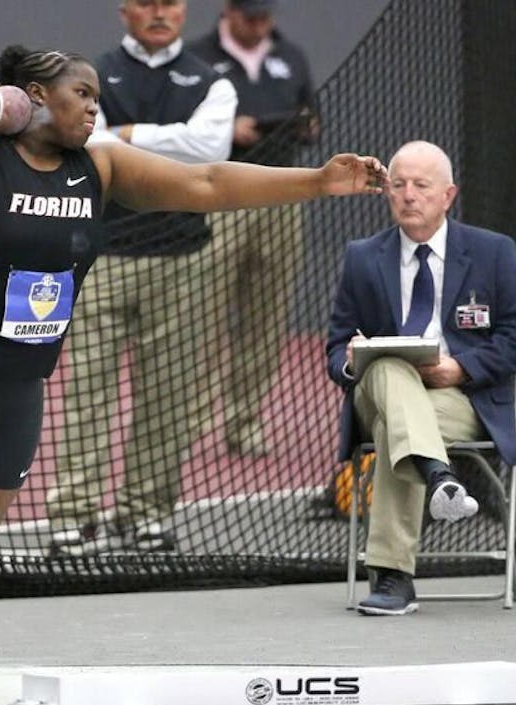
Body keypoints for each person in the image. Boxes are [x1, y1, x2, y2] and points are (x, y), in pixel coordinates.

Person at [0, 42, 387, 679]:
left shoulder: (100, 166)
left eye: (97, 95)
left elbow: (205, 182)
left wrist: (318, 182)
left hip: (22, 368)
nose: (97, 105)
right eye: (82, 94)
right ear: (35, 96)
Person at [44, 0, 239, 557]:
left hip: (184, 260)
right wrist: (161, 139)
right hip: (100, 256)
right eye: (147, 3)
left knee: (170, 396)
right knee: (87, 390)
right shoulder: (91, 76)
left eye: (170, 3)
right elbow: (89, 142)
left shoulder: (211, 81)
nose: (160, 13)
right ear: (124, 10)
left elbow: (211, 151)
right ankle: (74, 518)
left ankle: (145, 516)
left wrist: (128, 135)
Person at [325, 140, 516, 616]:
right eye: (398, 185)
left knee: (395, 430)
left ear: (448, 195)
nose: (408, 195)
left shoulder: (493, 252)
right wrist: (353, 359)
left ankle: (394, 578)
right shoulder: (363, 257)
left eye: (421, 186)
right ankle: (439, 477)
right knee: (388, 366)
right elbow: (336, 348)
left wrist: (459, 368)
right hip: (376, 395)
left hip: (459, 401)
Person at [189, 0, 319, 456]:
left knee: (266, 313)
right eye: (250, 17)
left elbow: (312, 120)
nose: (259, 25)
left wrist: (304, 127)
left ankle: (245, 420)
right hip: (223, 192)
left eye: (265, 16)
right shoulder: (198, 58)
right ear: (229, 12)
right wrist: (228, 129)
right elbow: (182, 129)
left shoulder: (292, 57)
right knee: (204, 310)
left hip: (282, 195)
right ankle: (194, 420)